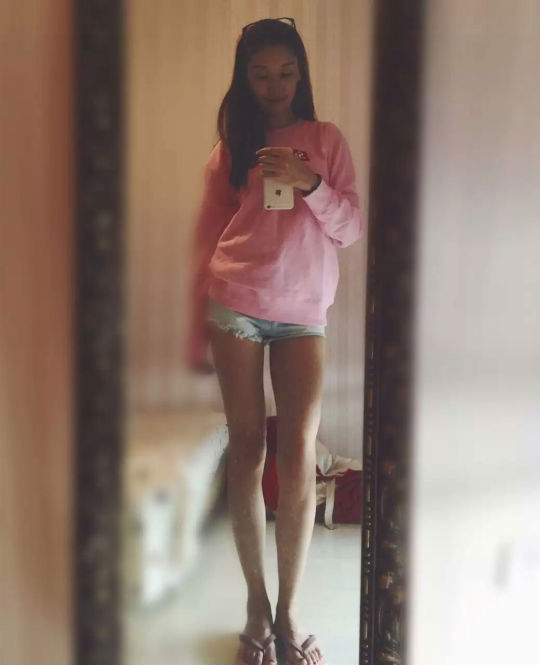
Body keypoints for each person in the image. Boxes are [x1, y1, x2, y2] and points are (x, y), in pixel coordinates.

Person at [185, 17, 364, 665]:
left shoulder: (325, 139)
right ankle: (257, 608)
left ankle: (289, 612)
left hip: (302, 315)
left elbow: (350, 228)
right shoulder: (231, 149)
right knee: (247, 450)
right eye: (260, 74)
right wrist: (193, 331)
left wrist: (311, 183)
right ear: (244, 78)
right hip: (234, 304)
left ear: (301, 74)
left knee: (298, 452)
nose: (274, 85)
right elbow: (208, 238)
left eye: (286, 72)